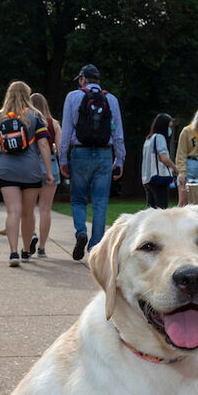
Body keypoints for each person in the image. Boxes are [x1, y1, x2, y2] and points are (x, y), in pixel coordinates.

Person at [0, 81, 54, 267]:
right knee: (27, 213)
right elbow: (44, 144)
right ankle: (26, 251)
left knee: (13, 211)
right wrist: (49, 171)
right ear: (27, 95)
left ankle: (13, 252)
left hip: (6, 170)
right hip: (30, 170)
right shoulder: (35, 115)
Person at [58, 64, 125, 261]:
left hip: (80, 154)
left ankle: (80, 232)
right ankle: (95, 246)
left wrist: (63, 158)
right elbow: (118, 133)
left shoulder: (72, 97)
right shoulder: (111, 99)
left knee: (78, 199)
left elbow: (67, 131)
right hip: (104, 155)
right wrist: (119, 159)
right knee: (100, 202)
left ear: (82, 80)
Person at [30, 92, 60, 258]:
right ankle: (42, 247)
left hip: (31, 164)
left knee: (28, 208)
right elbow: (60, 148)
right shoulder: (54, 123)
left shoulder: (28, 121)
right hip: (51, 163)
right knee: (45, 209)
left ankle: (31, 237)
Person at [141, 113, 178, 209]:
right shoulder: (160, 137)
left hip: (147, 179)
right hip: (158, 179)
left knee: (151, 210)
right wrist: (174, 167)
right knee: (162, 209)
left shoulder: (148, 139)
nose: (170, 130)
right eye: (169, 127)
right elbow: (163, 157)